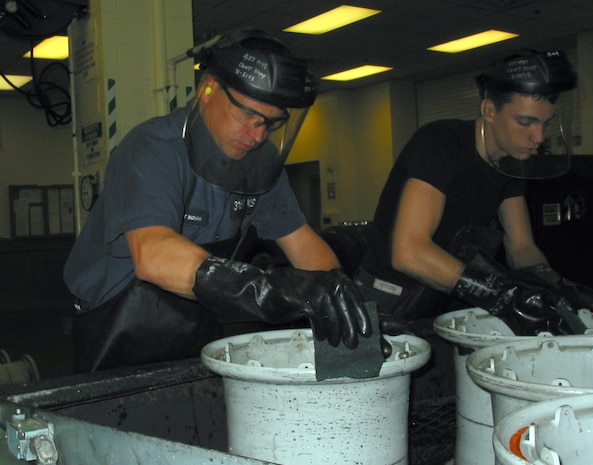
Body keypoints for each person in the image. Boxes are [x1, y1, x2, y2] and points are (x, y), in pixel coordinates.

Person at [63, 29, 371, 373]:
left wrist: (341, 300)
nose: (257, 137)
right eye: (247, 117)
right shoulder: (152, 149)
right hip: (114, 327)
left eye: (270, 124)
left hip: (196, 316)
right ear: (207, 90)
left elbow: (302, 242)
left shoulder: (258, 165)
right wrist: (267, 290)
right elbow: (153, 254)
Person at [355, 49, 593, 336]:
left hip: (440, 293)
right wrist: (501, 295)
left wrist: (556, 288)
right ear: (489, 110)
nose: (538, 138)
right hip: (386, 295)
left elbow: (521, 247)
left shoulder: (511, 162)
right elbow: (409, 252)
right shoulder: (440, 144)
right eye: (525, 123)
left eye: (544, 124)